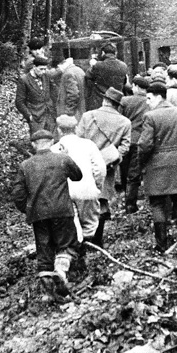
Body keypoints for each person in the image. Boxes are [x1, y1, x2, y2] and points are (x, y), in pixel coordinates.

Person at [12, 129, 83, 300]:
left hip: (38, 215)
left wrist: (28, 208)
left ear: (33, 145)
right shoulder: (62, 159)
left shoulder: (25, 165)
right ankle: (61, 270)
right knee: (66, 245)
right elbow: (78, 176)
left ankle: (48, 293)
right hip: (62, 211)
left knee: (44, 251)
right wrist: (67, 156)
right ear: (51, 143)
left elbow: (17, 195)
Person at [139, 81, 177, 252]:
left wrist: (142, 163)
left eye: (149, 98)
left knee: (157, 202)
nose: (147, 102)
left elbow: (145, 145)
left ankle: (161, 244)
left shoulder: (150, 117)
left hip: (157, 164)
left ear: (158, 97)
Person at [76, 86, 131, 247]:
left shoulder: (88, 116)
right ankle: (97, 241)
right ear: (117, 104)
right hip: (107, 168)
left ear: (105, 100)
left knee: (84, 202)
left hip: (85, 166)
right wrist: (113, 157)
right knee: (102, 201)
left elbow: (78, 138)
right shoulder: (125, 122)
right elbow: (125, 147)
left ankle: (84, 239)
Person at [52, 114, 106, 277]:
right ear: (75, 129)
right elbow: (100, 169)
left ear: (59, 130)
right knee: (90, 225)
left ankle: (72, 263)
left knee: (72, 229)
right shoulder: (88, 145)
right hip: (86, 190)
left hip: (64, 194)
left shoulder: (54, 149)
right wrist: (97, 187)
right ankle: (87, 261)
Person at [119, 76, 150, 215]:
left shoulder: (125, 101)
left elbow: (119, 119)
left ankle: (127, 200)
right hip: (140, 140)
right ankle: (130, 204)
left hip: (126, 140)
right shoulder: (149, 102)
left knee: (125, 171)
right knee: (134, 174)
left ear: (136, 86)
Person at [15, 55, 56, 134]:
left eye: (45, 69)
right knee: (38, 140)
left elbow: (53, 92)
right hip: (35, 116)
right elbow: (19, 102)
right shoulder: (24, 80)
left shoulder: (46, 76)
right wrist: (29, 116)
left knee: (51, 139)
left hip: (49, 113)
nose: (43, 71)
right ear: (34, 67)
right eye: (41, 69)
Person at [85, 42, 128, 111]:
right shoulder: (124, 66)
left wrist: (93, 65)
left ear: (103, 53)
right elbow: (125, 82)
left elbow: (88, 76)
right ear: (115, 53)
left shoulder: (98, 65)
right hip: (117, 101)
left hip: (102, 101)